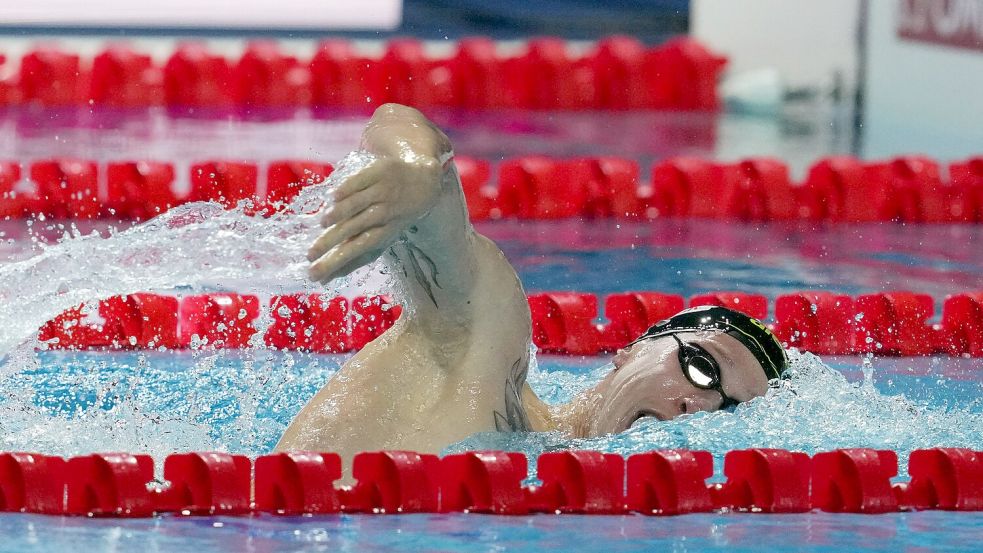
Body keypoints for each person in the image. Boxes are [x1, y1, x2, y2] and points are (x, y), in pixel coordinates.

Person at [275, 103, 788, 462]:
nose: (696, 408)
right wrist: (417, 171)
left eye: (729, 410)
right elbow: (398, 121)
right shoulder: (483, 356)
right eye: (701, 370)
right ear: (634, 347)